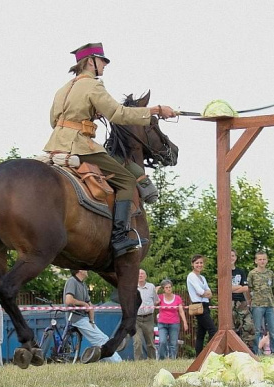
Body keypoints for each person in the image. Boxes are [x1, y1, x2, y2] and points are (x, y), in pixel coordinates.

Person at [43, 42, 176, 258]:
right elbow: (118, 114)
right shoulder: (94, 86)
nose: (105, 65)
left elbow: (53, 120)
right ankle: (120, 236)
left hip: (54, 145)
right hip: (80, 145)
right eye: (102, 60)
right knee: (126, 180)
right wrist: (155, 110)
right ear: (90, 62)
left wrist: (87, 116)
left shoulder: (63, 89)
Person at [63, 270, 121, 362]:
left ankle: (107, 359)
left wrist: (92, 320)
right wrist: (84, 304)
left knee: (100, 339)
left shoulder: (83, 285)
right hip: (76, 317)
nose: (87, 270)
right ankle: (118, 362)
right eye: (85, 269)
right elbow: (69, 300)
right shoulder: (72, 281)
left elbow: (90, 305)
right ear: (79, 271)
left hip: (83, 318)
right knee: (101, 339)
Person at [247, 251, 274, 355]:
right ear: (256, 261)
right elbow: (249, 288)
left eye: (264, 259)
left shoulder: (270, 273)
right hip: (257, 305)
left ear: (267, 260)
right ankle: (256, 352)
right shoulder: (252, 274)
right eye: (260, 259)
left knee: (273, 331)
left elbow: (272, 286)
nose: (262, 261)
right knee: (256, 330)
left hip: (269, 305)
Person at [186, 254, 217, 356]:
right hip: (198, 306)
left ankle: (198, 355)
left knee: (201, 333)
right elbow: (200, 291)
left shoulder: (202, 277)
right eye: (197, 263)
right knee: (212, 330)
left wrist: (206, 293)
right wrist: (206, 293)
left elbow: (209, 293)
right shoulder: (191, 276)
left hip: (205, 305)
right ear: (192, 264)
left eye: (201, 263)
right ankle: (208, 352)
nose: (199, 265)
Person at [157, 279, 188, 360]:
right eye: (166, 287)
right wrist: (155, 292)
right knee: (162, 341)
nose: (168, 289)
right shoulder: (160, 297)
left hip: (174, 323)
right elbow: (153, 302)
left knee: (173, 343)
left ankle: (172, 359)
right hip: (162, 323)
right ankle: (162, 358)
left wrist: (185, 322)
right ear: (163, 289)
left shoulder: (177, 298)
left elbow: (181, 311)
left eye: (170, 287)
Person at [230, 249, 255, 351]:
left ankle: (247, 349)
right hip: (229, 302)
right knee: (232, 327)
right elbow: (226, 288)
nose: (231, 257)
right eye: (229, 255)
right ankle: (232, 349)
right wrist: (237, 287)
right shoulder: (224, 271)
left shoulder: (240, 271)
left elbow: (245, 288)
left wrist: (233, 288)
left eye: (233, 255)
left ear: (236, 257)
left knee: (248, 325)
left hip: (242, 302)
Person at [132, 269, 159, 360]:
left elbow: (156, 301)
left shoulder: (151, 287)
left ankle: (152, 360)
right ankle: (138, 362)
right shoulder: (132, 287)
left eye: (142, 273)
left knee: (150, 342)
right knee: (137, 341)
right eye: (138, 274)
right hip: (136, 319)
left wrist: (149, 307)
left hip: (149, 318)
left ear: (146, 276)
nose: (140, 275)